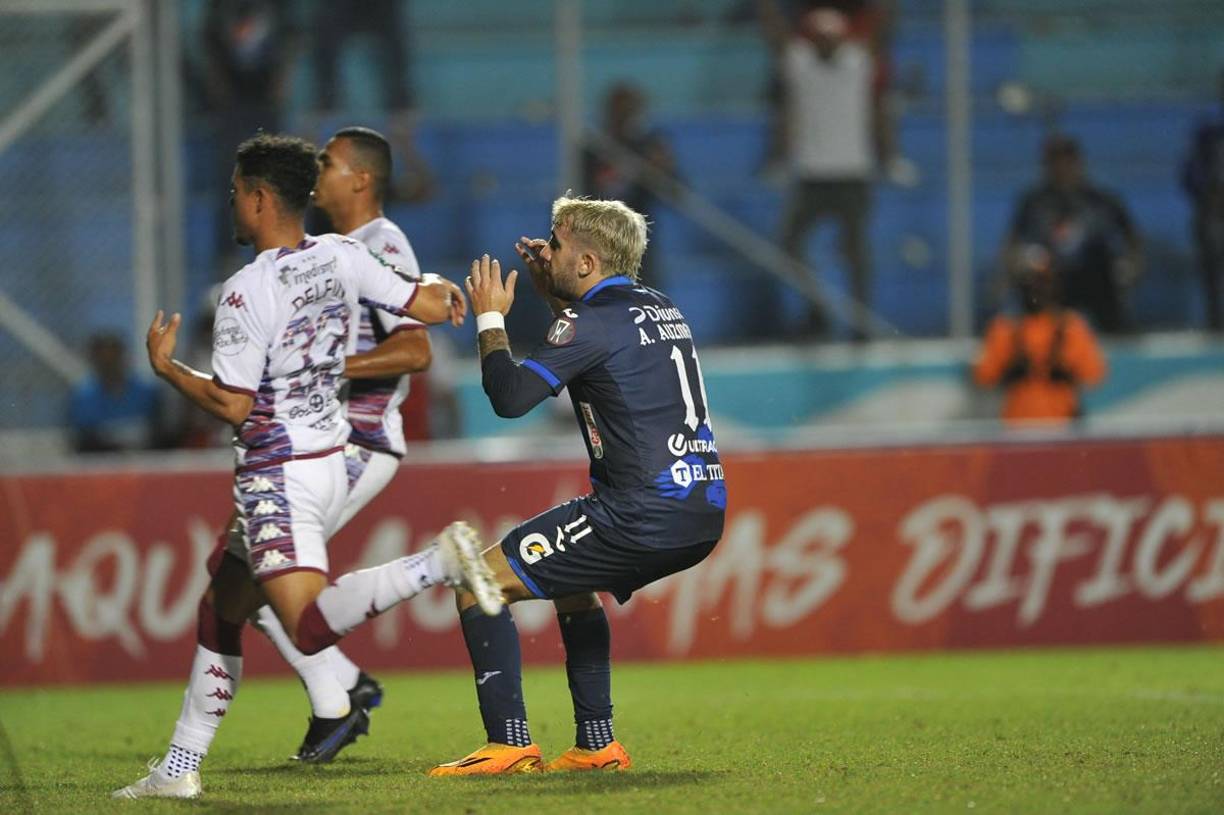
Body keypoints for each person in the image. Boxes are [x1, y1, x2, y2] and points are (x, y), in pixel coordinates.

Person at [112, 133, 501, 800]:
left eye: (237, 193)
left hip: (278, 472)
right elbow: (427, 303)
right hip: (325, 457)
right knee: (222, 605)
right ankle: (178, 768)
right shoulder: (341, 256)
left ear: (261, 200)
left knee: (307, 623)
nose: (232, 204)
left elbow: (233, 403)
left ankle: (436, 563)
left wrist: (166, 367)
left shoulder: (244, 292)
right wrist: (455, 294)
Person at [426, 197, 728, 776]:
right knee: (572, 585)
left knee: (477, 581)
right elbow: (591, 341)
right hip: (700, 511)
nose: (547, 250)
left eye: (557, 245)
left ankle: (508, 744)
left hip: (639, 513)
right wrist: (555, 293)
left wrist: (492, 318)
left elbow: (511, 399)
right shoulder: (661, 305)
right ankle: (596, 745)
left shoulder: (588, 322)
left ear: (588, 262)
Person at [239, 126, 436, 762]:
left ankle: (340, 695)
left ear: (361, 179)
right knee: (248, 573)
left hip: (360, 439)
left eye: (327, 162)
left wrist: (323, 367)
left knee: (255, 572)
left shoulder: (383, 244)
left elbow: (416, 347)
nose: (316, 170)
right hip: (321, 437)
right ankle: (343, 690)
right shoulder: (329, 249)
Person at [763, 5, 882, 339]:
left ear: (843, 38)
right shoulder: (800, 64)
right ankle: (817, 309)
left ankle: (861, 320)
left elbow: (880, 25)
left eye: (831, 37)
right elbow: (775, 33)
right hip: (811, 174)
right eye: (819, 37)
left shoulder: (858, 63)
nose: (824, 43)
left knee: (855, 251)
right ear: (810, 39)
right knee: (789, 244)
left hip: (852, 172)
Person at [1004, 135, 1143, 334]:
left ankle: (1118, 335)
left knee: (1103, 268)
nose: (1062, 168)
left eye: (1067, 160)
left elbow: (1133, 239)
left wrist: (1130, 267)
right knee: (1037, 278)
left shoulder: (1101, 200)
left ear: (1078, 162)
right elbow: (1012, 244)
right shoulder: (1033, 203)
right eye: (1055, 161)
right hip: (1051, 278)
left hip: (1094, 277)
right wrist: (1017, 264)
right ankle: (1037, 342)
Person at [973, 244, 1107, 426]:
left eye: (1042, 280)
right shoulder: (1005, 327)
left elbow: (1095, 375)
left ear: (1054, 283)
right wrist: (1010, 370)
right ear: (1020, 285)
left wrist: (1066, 369)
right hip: (1016, 432)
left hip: (1064, 431)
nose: (1035, 288)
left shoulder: (1071, 327)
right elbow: (983, 377)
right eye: (1029, 281)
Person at [581, 83, 677, 282]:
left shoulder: (648, 147)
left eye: (630, 110)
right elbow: (578, 194)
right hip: (597, 240)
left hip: (638, 243)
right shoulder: (593, 150)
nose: (624, 117)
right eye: (619, 111)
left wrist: (664, 169)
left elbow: (676, 193)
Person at [67, 332, 167, 452]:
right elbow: (81, 438)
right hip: (100, 462)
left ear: (123, 357)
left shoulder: (147, 392)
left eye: (113, 359)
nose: (110, 366)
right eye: (104, 362)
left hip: (144, 459)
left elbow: (160, 431)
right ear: (94, 361)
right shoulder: (82, 397)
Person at [1181, 69, 1224, 332]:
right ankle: (1216, 321)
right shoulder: (1208, 132)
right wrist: (1210, 194)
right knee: (1209, 232)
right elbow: (1189, 173)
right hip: (1214, 208)